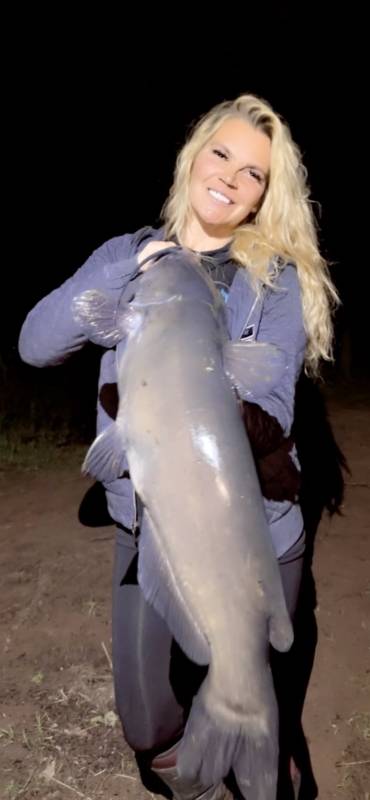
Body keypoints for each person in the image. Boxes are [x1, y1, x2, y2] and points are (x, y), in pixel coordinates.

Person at [18, 94, 338, 799]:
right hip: (148, 518)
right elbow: (36, 344)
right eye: (221, 153)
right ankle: (194, 767)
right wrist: (129, 270)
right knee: (144, 720)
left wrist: (202, 373)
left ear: (263, 195)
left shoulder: (273, 279)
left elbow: (275, 407)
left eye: (254, 173)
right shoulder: (125, 258)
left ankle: (264, 768)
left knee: (253, 694)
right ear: (193, 155)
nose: (231, 177)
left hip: (252, 527)